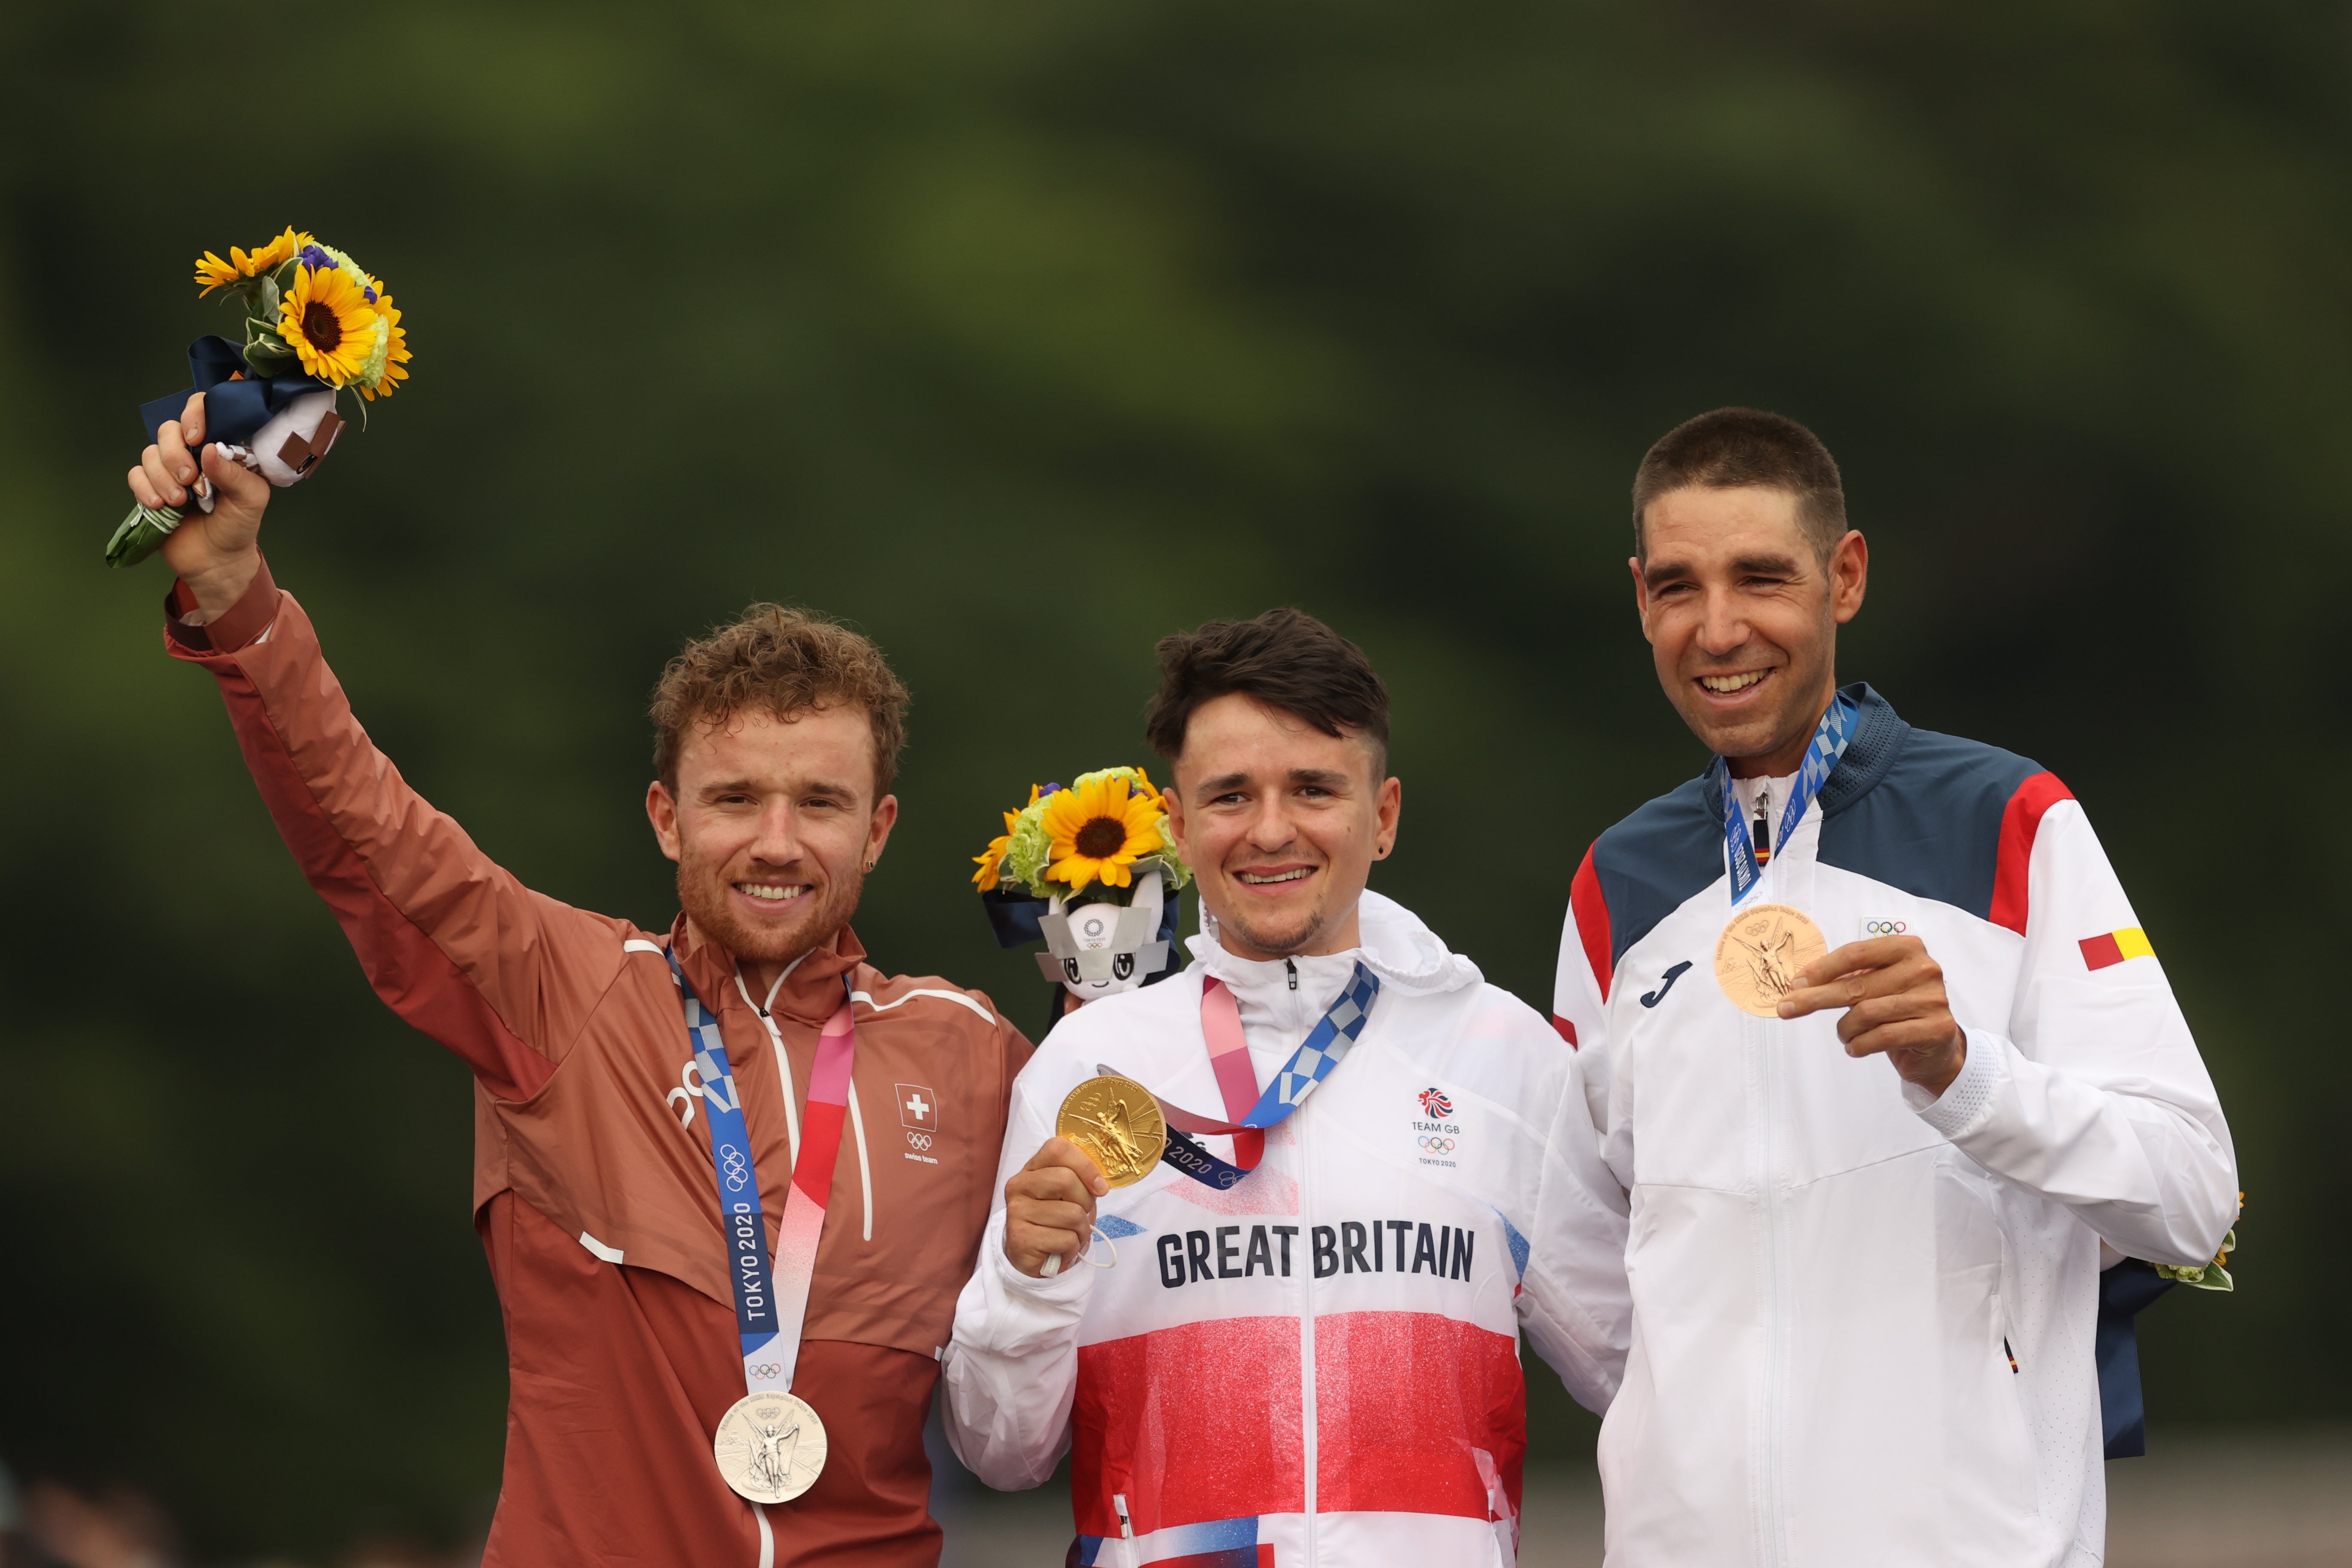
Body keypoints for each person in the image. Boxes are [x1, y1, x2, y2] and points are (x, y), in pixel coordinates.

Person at [123, 396, 1032, 1567]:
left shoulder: (970, 1055)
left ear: (880, 829)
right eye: (733, 799)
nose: (775, 841)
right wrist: (233, 587)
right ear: (666, 817)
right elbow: (363, 827)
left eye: (819, 804)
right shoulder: (566, 990)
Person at [1551, 408, 2237, 1565]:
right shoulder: (1614, 884)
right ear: (1639, 600)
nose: (1718, 629)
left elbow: (2192, 1195)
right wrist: (1704, 1433)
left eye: (1761, 577)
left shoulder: (2008, 820)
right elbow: (1576, 1260)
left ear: (1845, 577)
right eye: (1678, 586)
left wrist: (1971, 1078)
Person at [942, 609, 1630, 1567]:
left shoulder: (1503, 1054)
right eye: (1230, 796)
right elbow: (998, 1451)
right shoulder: (1084, 1067)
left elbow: (1641, 1369)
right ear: (1178, 829)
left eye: (1314, 788)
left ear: (1382, 817)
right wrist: (1024, 1280)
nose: (1272, 831)